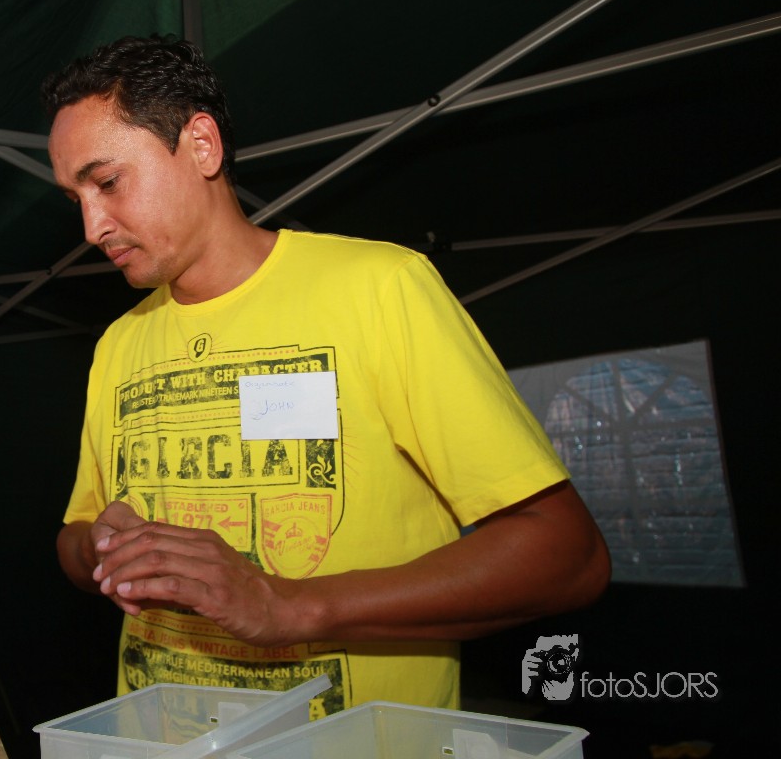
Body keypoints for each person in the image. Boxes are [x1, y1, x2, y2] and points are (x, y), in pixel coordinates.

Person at [41, 35, 610, 715]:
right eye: (75, 198)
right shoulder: (119, 343)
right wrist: (101, 548)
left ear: (201, 146)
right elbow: (74, 538)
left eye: (107, 182)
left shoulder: (380, 288)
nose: (92, 226)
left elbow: (566, 556)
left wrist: (291, 607)